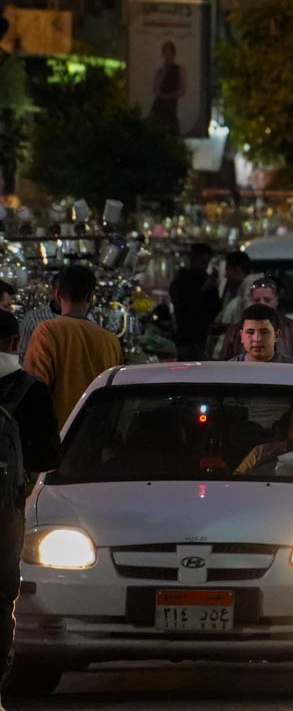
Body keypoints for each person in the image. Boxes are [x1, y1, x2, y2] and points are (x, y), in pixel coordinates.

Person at [0, 309, 62, 685]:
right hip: (7, 510)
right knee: (3, 592)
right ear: (16, 343)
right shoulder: (32, 390)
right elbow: (49, 457)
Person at [23, 265, 123, 427]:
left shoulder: (47, 331)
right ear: (90, 297)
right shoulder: (111, 341)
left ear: (57, 295)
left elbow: (34, 391)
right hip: (96, 435)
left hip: (59, 436)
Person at [218, 277, 293, 363]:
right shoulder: (235, 330)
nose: (257, 339)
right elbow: (226, 360)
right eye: (257, 300)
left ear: (276, 300)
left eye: (267, 300)